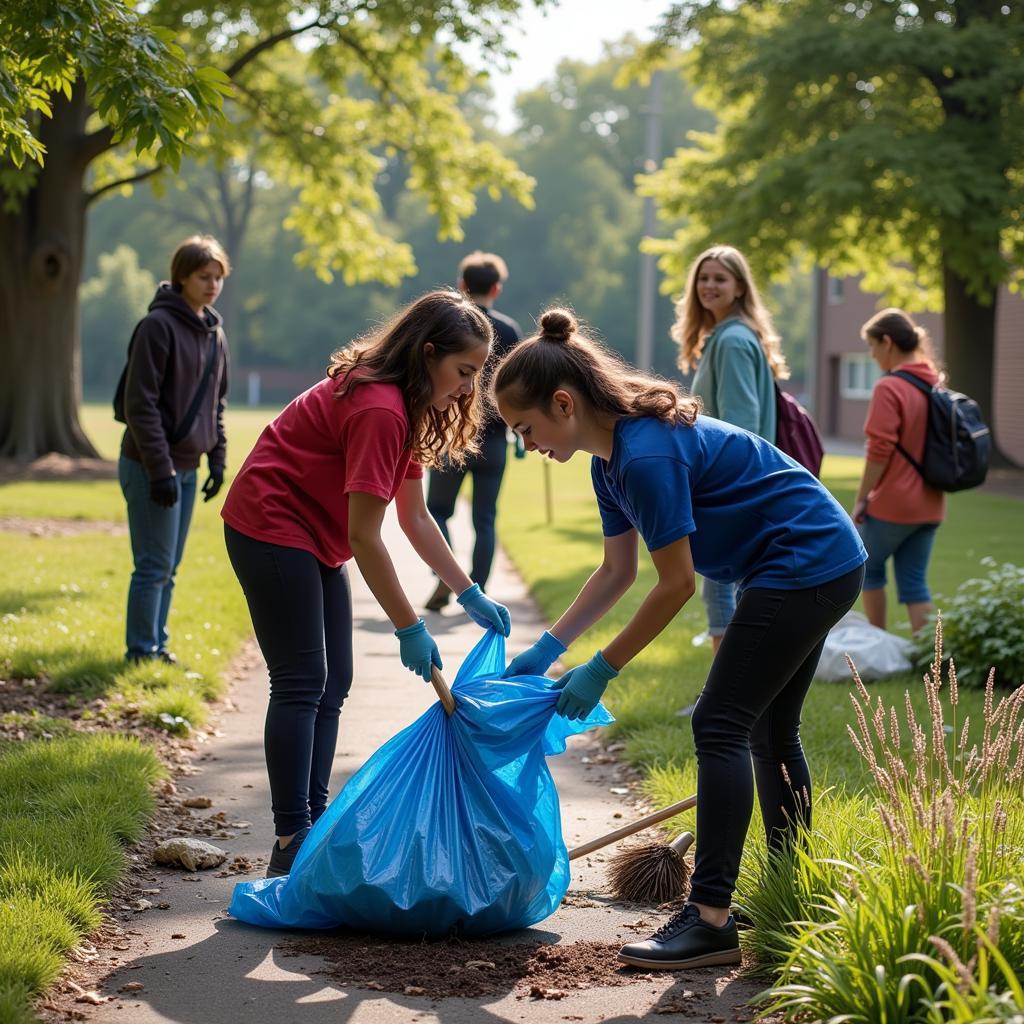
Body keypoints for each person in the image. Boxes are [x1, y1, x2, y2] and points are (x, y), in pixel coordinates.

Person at [493, 309, 865, 970]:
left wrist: (603, 666)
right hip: (805, 561)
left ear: (563, 402)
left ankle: (710, 918)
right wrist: (549, 649)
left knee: (721, 723)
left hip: (806, 561)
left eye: (525, 429)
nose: (526, 446)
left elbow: (675, 586)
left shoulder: (646, 455)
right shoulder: (609, 464)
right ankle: (791, 889)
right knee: (768, 732)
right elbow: (617, 570)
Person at [220, 290, 512, 878]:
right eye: (463, 372)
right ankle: (290, 838)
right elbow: (366, 536)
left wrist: (468, 590)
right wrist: (410, 625)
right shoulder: (380, 407)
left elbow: (415, 517)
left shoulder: (407, 405)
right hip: (271, 523)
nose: (467, 389)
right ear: (428, 354)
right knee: (302, 679)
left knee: (336, 681)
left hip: (314, 534)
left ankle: (314, 821)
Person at [672, 244, 789, 654]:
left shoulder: (734, 340)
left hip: (731, 486)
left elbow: (741, 426)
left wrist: (724, 490)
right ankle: (727, 695)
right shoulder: (724, 336)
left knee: (721, 591)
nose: (709, 286)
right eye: (703, 278)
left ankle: (723, 697)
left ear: (739, 287)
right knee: (723, 590)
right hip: (730, 485)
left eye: (720, 278)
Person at [119, 235, 231, 664]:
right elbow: (139, 404)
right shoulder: (157, 327)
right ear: (181, 276)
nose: (212, 285)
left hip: (185, 468)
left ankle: (157, 646)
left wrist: (217, 461)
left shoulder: (214, 334)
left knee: (170, 567)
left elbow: (215, 404)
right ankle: (141, 652)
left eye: (218, 277)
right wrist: (160, 469)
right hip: (149, 465)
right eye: (204, 276)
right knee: (153, 565)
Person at [424, 252, 522, 611]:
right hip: (495, 439)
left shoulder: (450, 327)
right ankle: (476, 592)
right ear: (496, 288)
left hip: (451, 434)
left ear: (461, 284)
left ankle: (444, 579)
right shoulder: (510, 331)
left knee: (436, 510)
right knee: (485, 518)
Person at [853, 308, 945, 635]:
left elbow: (879, 449)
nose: (872, 354)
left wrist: (862, 499)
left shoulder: (889, 387)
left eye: (872, 346)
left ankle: (880, 645)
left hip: (893, 503)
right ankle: (927, 658)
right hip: (932, 502)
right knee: (914, 582)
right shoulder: (934, 382)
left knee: (870, 571)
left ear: (888, 342)